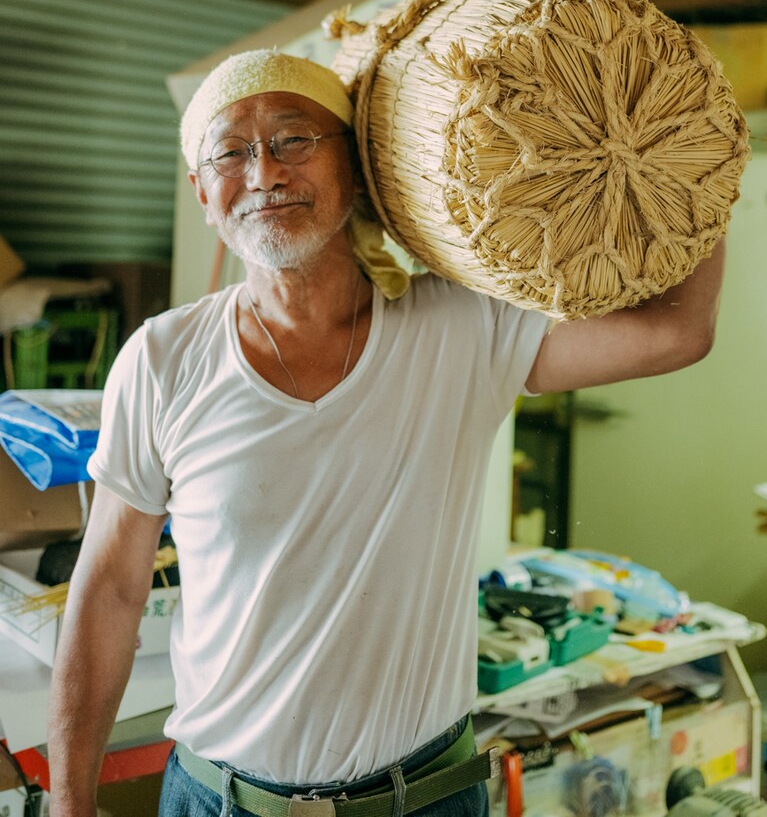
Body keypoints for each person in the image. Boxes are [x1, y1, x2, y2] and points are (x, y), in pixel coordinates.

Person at [47, 50, 726, 817]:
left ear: (359, 171)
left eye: (295, 139)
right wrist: (69, 804)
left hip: (423, 800)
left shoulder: (462, 324)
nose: (264, 171)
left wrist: (691, 152)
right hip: (222, 802)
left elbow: (675, 333)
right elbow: (108, 592)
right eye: (230, 152)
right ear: (204, 195)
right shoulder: (163, 360)